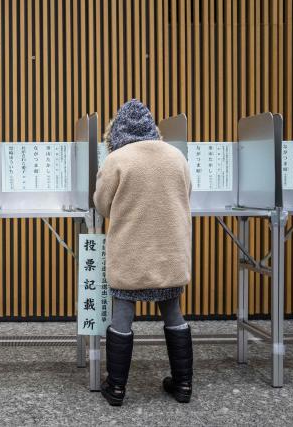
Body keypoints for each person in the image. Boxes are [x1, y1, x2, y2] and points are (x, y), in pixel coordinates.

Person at [93, 99, 193, 406]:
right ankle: (184, 384)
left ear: (117, 131)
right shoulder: (176, 156)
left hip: (132, 253)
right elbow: (187, 193)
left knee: (122, 316)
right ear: (152, 127)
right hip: (170, 252)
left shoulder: (118, 159)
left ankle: (117, 387)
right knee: (173, 314)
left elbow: (102, 204)